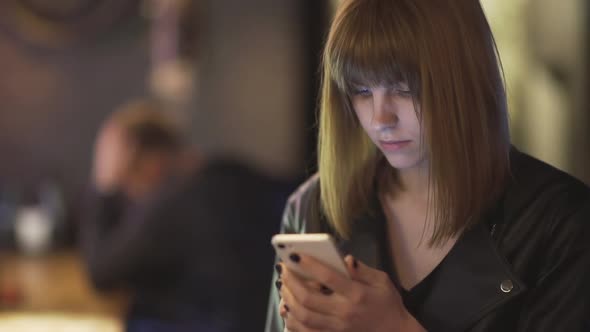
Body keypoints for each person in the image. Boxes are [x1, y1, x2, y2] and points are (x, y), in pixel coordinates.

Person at [265, 0, 590, 331]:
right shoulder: (313, 209)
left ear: (465, 79)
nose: (380, 119)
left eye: (404, 89)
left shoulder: (559, 224)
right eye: (361, 91)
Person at [80, 99, 287, 331]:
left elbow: (100, 273)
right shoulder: (235, 174)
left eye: (128, 180)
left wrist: (104, 185)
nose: (132, 197)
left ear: (147, 161)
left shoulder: (170, 203)